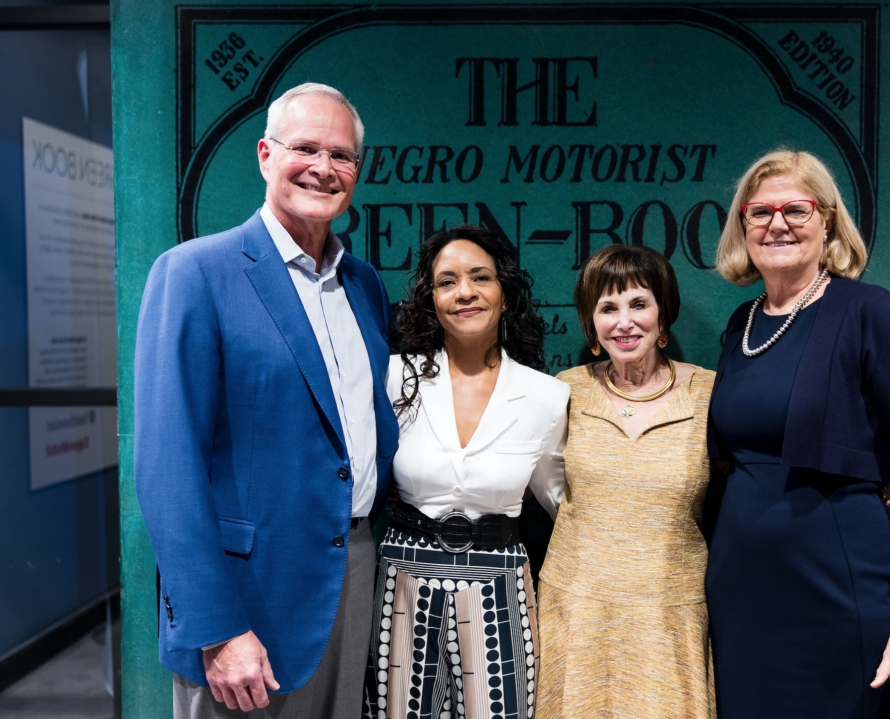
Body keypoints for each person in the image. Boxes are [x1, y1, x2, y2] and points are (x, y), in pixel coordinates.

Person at [135, 83, 399, 718]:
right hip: (246, 600)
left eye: (341, 156)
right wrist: (217, 629)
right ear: (263, 155)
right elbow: (168, 470)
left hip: (352, 573)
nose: (323, 167)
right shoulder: (194, 274)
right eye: (305, 147)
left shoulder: (363, 284)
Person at [707, 149, 890, 718]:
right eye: (759, 211)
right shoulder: (741, 325)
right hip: (743, 594)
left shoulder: (870, 312)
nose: (777, 223)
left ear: (829, 221)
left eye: (797, 208)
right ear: (742, 225)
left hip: (839, 587)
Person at [364, 226, 569, 719]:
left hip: (499, 585)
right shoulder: (394, 378)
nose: (465, 293)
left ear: (505, 292)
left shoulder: (547, 396)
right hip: (404, 582)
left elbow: (561, 500)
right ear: (429, 298)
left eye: (480, 277)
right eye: (447, 281)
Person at [537, 244, 716, 719]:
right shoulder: (566, 389)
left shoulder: (709, 393)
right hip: (576, 610)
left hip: (667, 614)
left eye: (639, 303)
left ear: (663, 313)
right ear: (590, 322)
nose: (624, 321)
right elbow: (537, 479)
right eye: (608, 308)